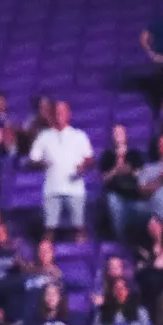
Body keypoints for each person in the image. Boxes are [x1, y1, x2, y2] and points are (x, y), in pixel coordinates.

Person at [28, 100, 94, 243]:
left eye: (63, 112)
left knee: (79, 228)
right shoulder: (44, 136)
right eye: (57, 112)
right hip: (52, 187)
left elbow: (90, 158)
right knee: (49, 229)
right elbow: (33, 159)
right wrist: (43, 162)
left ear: (68, 114)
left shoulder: (79, 135)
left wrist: (83, 165)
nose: (59, 115)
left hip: (75, 187)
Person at [98, 124, 145, 241]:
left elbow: (141, 176)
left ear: (126, 136)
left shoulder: (134, 154)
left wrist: (129, 170)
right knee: (113, 202)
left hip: (135, 196)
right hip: (115, 195)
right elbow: (103, 179)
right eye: (115, 134)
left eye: (120, 133)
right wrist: (116, 169)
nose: (118, 136)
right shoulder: (107, 156)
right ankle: (121, 240)